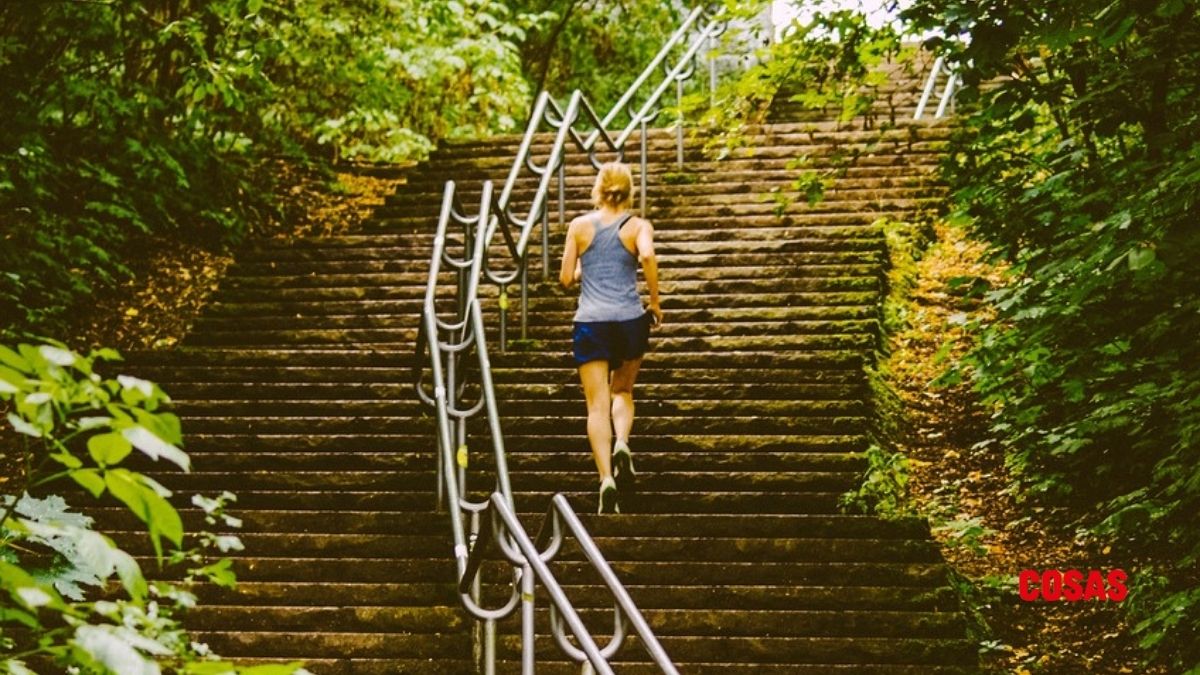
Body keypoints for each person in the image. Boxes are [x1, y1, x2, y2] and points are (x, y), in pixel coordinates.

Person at [559, 161, 662, 514]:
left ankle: (605, 478)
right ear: (629, 190)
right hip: (630, 319)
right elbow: (646, 255)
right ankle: (622, 442)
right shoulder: (638, 226)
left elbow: (565, 280)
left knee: (596, 405)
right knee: (623, 391)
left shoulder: (579, 227)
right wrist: (655, 300)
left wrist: (580, 267)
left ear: (598, 188)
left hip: (591, 323)